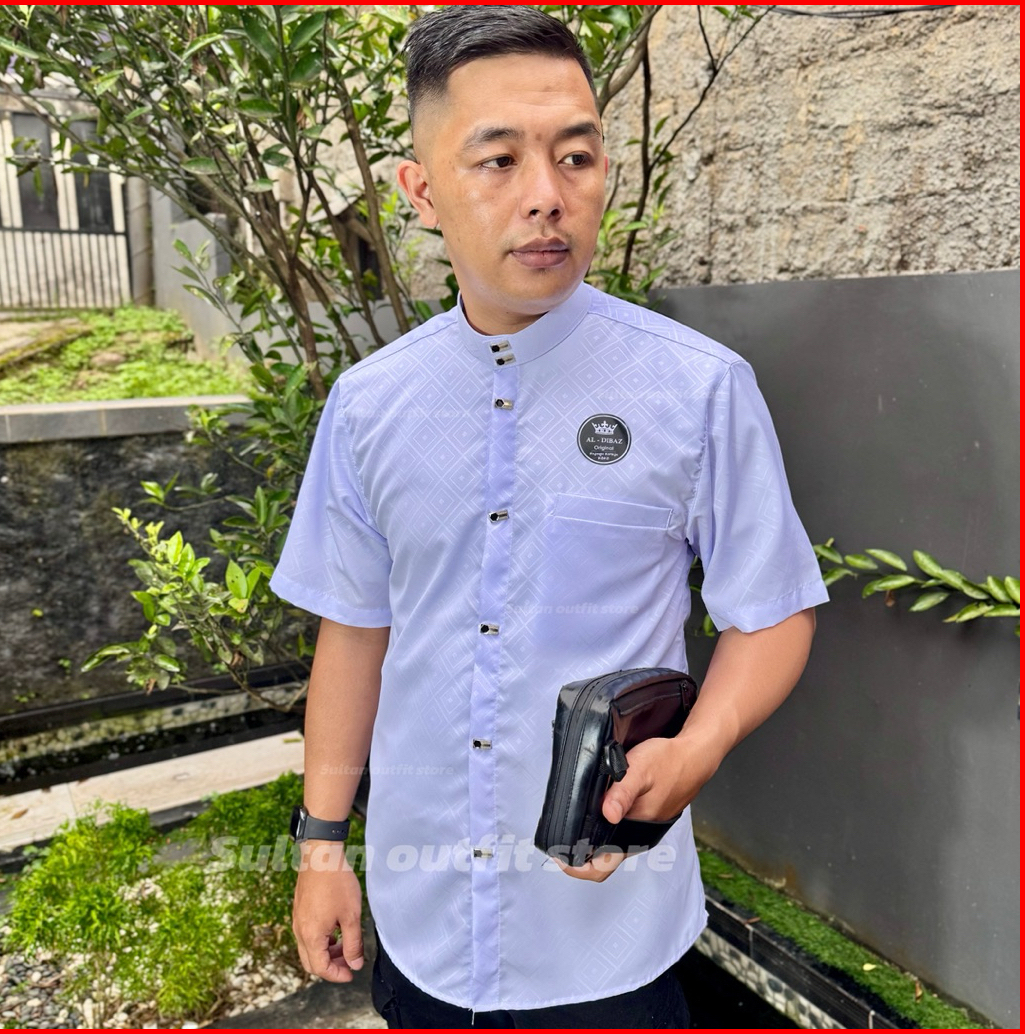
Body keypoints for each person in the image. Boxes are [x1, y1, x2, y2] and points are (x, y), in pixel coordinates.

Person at [272, 6, 828, 1028]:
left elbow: (775, 608)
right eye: (498, 160)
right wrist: (320, 846)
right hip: (424, 920)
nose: (546, 195)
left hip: (607, 934)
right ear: (420, 191)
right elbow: (354, 632)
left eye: (575, 155)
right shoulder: (367, 406)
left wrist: (700, 743)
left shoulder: (696, 389)